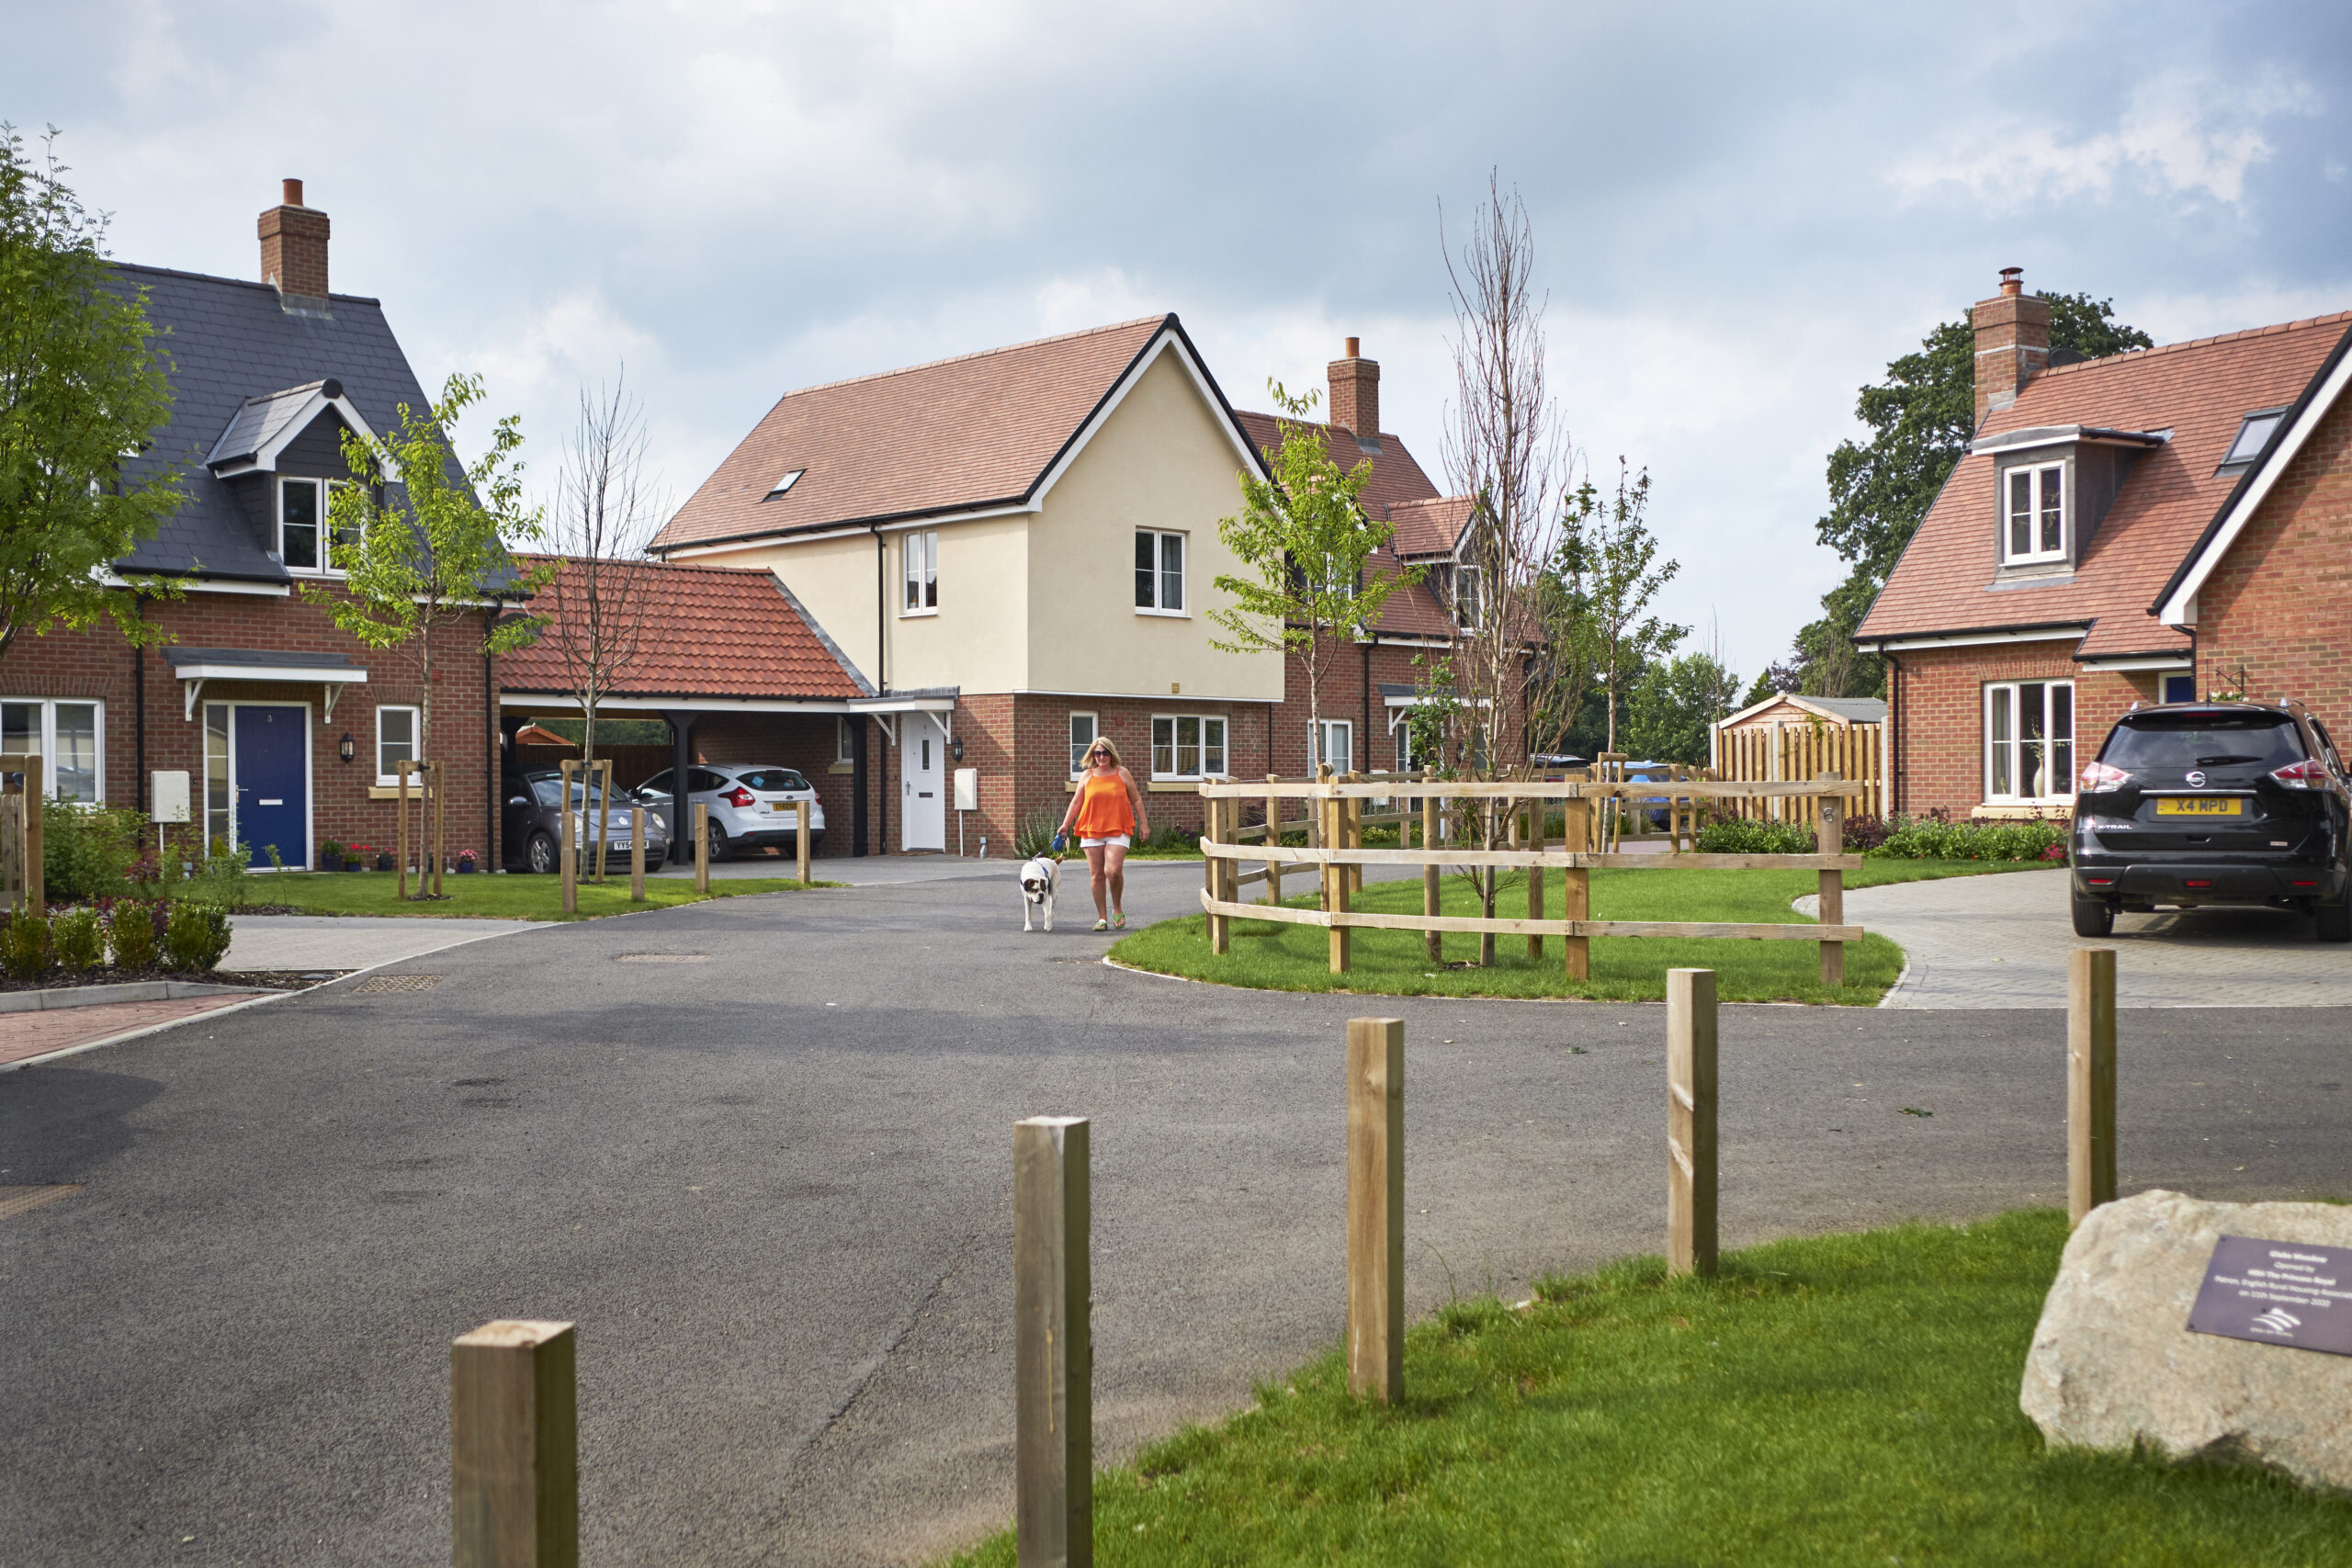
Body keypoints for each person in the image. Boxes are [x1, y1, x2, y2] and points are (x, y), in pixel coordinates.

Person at [1054, 735, 1149, 931]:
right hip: (1091, 829)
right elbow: (1076, 802)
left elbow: (1137, 800)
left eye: (1105, 752)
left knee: (1112, 870)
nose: (1101, 756)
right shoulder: (1087, 776)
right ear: (1093, 755)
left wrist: (1144, 824)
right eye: (1097, 753)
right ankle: (1102, 918)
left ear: (1111, 753)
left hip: (1118, 828)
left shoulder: (1122, 773)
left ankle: (1117, 908)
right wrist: (1065, 825)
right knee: (1097, 875)